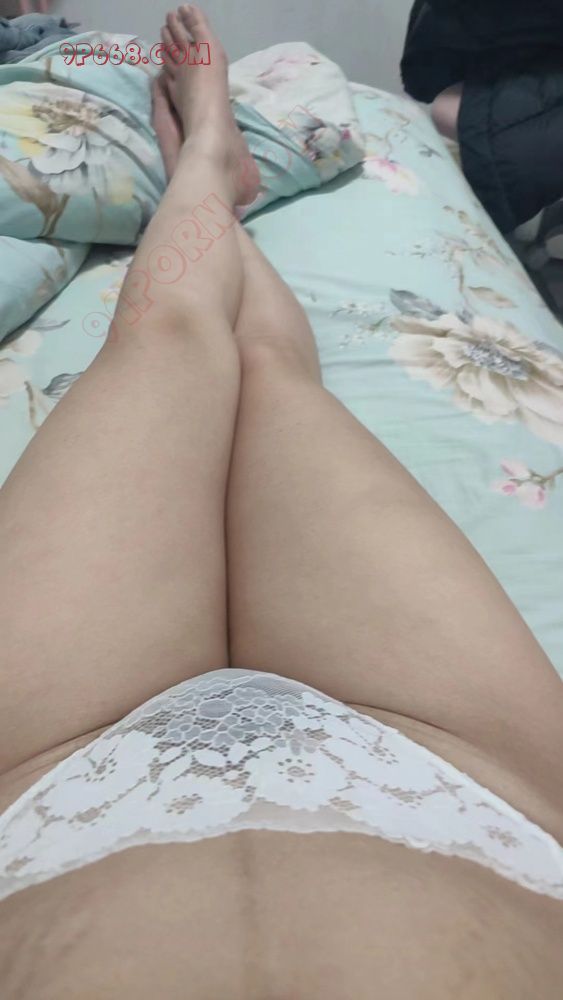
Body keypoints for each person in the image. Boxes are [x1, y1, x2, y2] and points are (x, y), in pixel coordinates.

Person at [0, 6, 562, 997]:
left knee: (172, 337)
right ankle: (208, 161)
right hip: (483, 791)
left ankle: (205, 166)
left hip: (30, 788)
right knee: (261, 366)